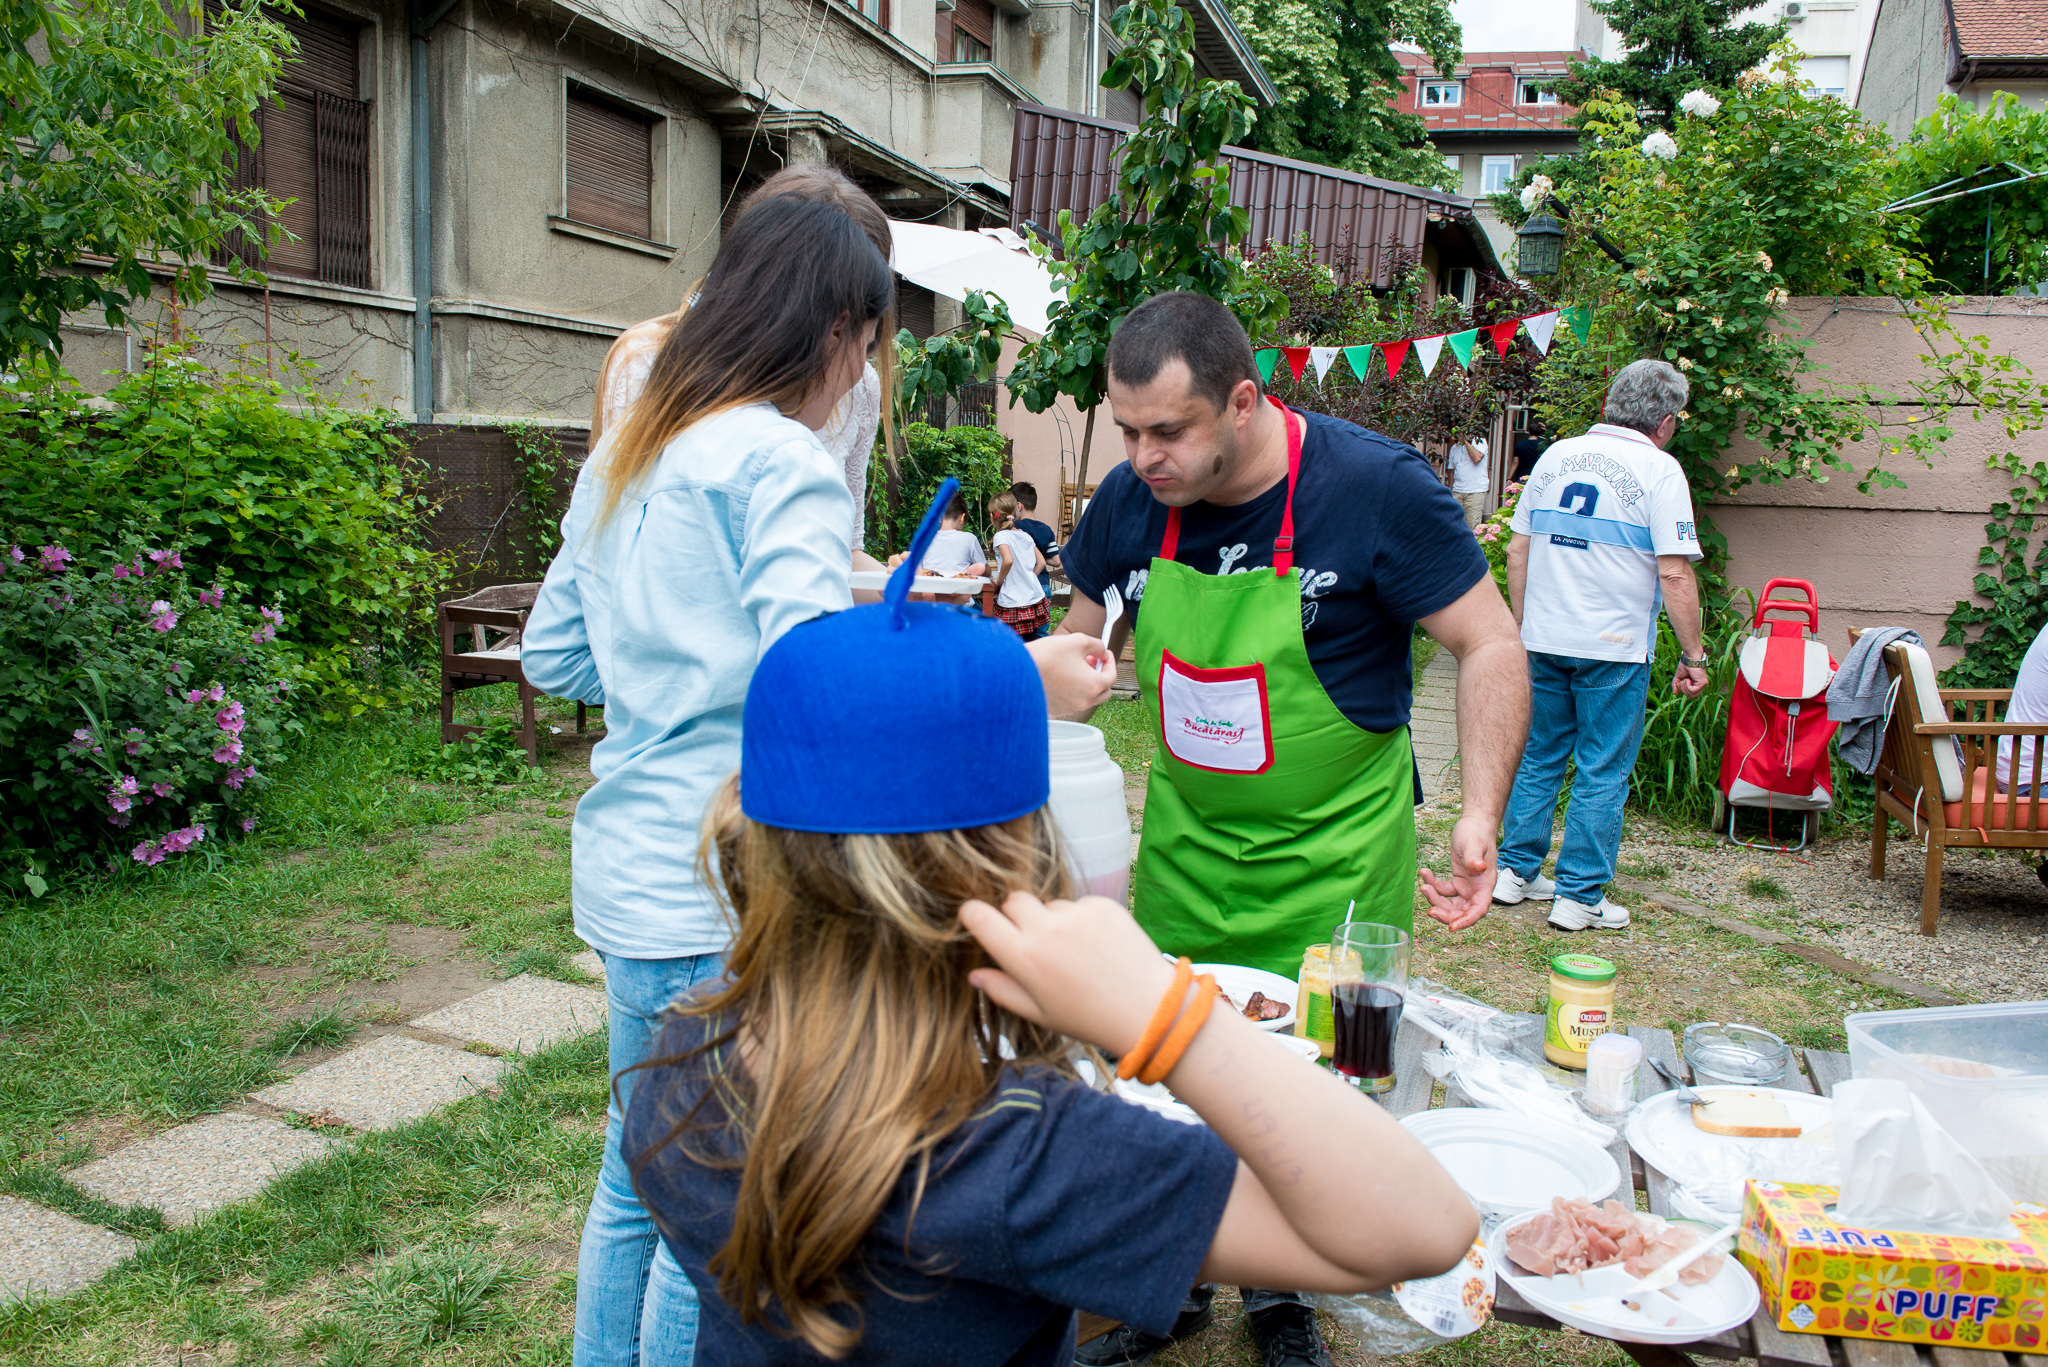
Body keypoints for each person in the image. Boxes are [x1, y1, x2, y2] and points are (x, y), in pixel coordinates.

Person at [622, 531, 1479, 1366]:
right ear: (1011, 870)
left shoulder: (683, 1068)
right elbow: (1422, 1225)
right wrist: (1167, 1013)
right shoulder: (1014, 1158)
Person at [524, 201, 1117, 1367]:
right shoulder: (775, 457)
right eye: (868, 343)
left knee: (636, 1173)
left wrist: (675, 658)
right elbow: (821, 686)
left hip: (626, 870)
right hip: (728, 886)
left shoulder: (633, 444)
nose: (864, 372)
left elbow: (558, 654)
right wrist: (1019, 669)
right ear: (834, 330)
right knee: (727, 1206)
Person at [1053, 291, 1527, 1367]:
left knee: (1320, 1085)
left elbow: (1489, 642)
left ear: (1244, 399)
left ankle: (1284, 1293)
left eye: (1166, 431)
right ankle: (1162, 1281)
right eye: (1125, 430)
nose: (1141, 457)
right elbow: (1070, 646)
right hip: (1184, 853)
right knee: (1164, 1073)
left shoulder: (1373, 489)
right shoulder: (1131, 502)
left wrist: (1481, 810)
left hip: (1336, 868)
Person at [1495, 359, 1708, 933]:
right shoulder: (1661, 471)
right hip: (1613, 646)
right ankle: (1578, 896)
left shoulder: (1557, 455)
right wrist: (1694, 656)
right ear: (1664, 421)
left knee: (1539, 754)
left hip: (1543, 635)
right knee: (1602, 769)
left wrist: (1524, 627)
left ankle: (1514, 874)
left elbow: (1518, 551)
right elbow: (1676, 574)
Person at [589, 164, 890, 556]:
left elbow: (841, 553)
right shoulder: (648, 361)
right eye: (863, 335)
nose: (859, 366)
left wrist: (893, 587)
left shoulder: (857, 387)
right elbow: (611, 548)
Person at [990, 490, 1050, 640]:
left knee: (1009, 640)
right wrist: (1027, 577)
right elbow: (1041, 562)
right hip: (1033, 596)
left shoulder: (1001, 536)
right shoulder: (1025, 535)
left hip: (1013, 599)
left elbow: (1008, 560)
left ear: (993, 516)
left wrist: (999, 581)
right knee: (1032, 638)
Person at [919, 492, 989, 578]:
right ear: (962, 518)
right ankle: (962, 572)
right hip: (958, 588)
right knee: (978, 568)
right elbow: (986, 572)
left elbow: (919, 568)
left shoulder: (925, 539)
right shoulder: (970, 539)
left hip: (930, 586)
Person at [1012, 480, 1060, 601]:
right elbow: (1056, 561)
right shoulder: (1046, 529)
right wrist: (1040, 554)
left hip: (1023, 585)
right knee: (1042, 620)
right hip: (1043, 584)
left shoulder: (1014, 527)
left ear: (1019, 506)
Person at [1449, 433, 1491, 528]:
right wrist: (1450, 491)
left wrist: (1465, 442)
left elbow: (1477, 458)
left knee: (1473, 526)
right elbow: (1451, 471)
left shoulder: (1480, 441)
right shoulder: (1454, 448)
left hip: (1475, 491)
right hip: (1457, 491)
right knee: (1454, 524)